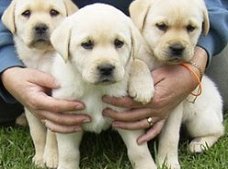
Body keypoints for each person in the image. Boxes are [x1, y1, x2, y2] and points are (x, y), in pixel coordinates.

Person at [0, 0, 227, 144]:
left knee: (211, 93)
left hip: (138, 37)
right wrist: (8, 68)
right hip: (68, 40)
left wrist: (193, 66)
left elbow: (208, 9)